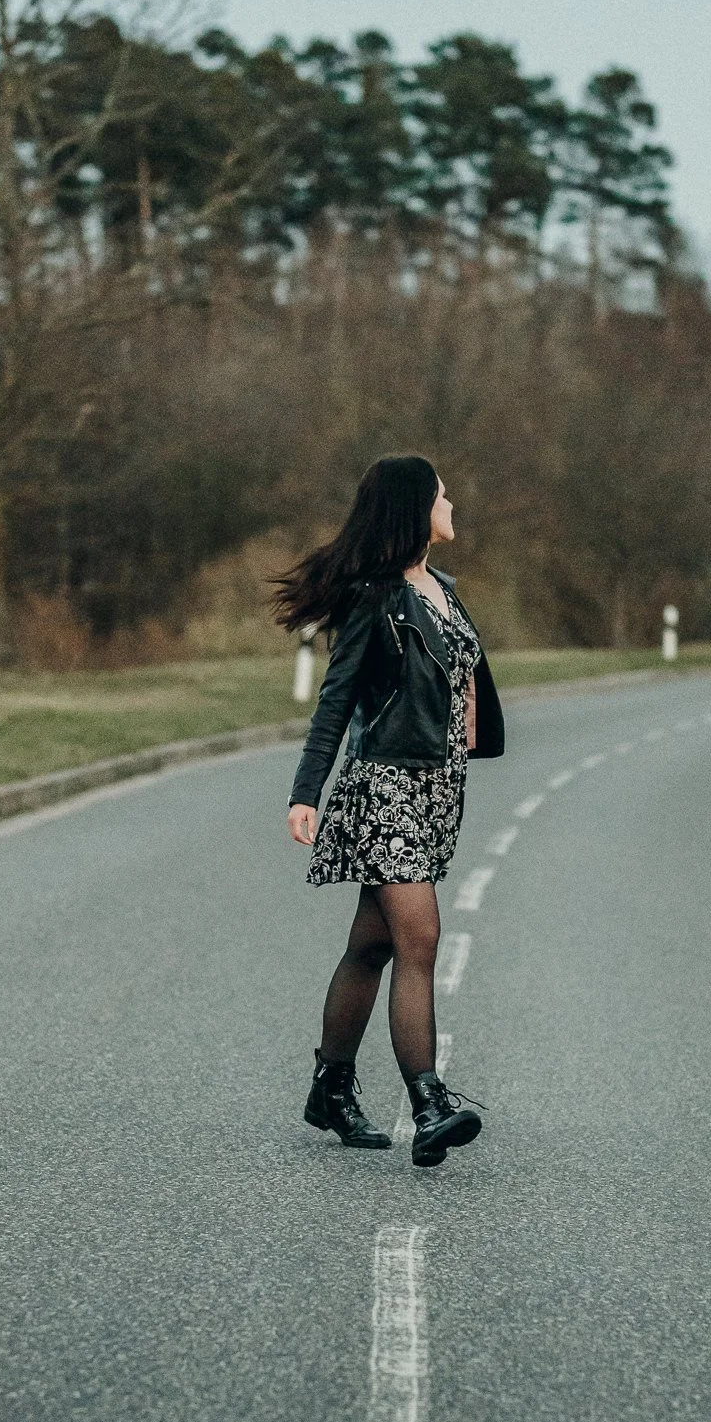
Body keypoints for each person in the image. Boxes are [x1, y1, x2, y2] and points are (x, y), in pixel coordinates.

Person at [274, 456, 504, 1167]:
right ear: (415, 509)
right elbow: (336, 702)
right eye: (441, 493)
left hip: (437, 793)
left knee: (372, 947)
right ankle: (429, 1103)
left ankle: (330, 1090)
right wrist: (306, 792)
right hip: (386, 790)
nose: (452, 499)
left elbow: (461, 680)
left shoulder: (442, 590)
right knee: (422, 940)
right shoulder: (377, 600)